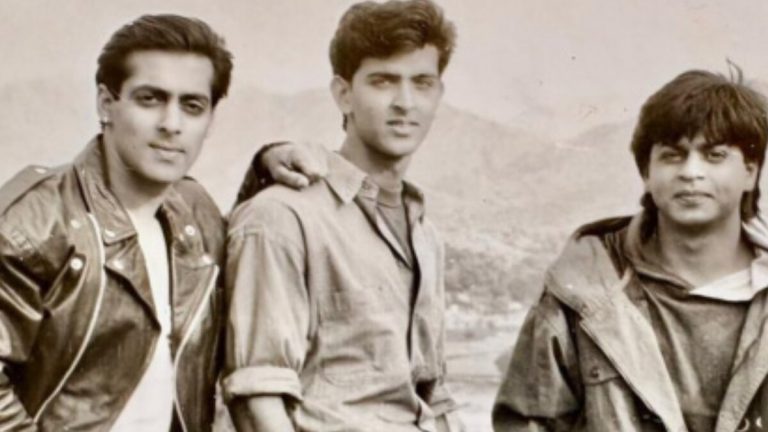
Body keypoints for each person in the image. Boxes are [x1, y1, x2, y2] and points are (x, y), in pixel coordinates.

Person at [0, 13, 320, 431]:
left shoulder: (196, 212)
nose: (172, 124)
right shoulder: (35, 221)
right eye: (150, 99)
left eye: (192, 106)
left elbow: (228, 264)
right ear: (106, 103)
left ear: (210, 118)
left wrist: (264, 169)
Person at [223, 0, 463, 431]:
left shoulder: (425, 234)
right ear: (343, 94)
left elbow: (432, 393)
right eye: (383, 81)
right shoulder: (282, 217)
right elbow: (258, 397)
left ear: (438, 95)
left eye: (422, 83)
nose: (405, 102)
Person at [493, 69, 768, 431]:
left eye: (714, 155)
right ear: (646, 173)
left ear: (750, 171)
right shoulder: (584, 290)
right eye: (672, 155)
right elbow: (527, 422)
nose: (691, 172)